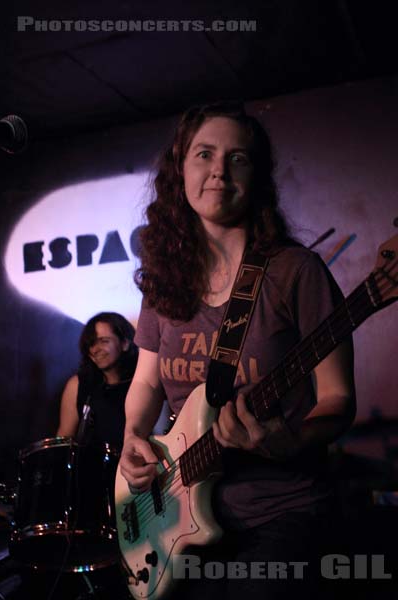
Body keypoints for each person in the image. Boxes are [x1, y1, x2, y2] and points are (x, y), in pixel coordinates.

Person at [119, 101, 356, 599]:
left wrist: (285, 442)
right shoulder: (164, 283)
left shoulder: (296, 271)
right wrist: (132, 434)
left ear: (257, 177)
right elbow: (145, 380)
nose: (219, 171)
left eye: (238, 159)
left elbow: (337, 400)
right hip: (180, 517)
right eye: (204, 154)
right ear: (180, 168)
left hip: (281, 513)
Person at [57, 311, 138, 450]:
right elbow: (63, 440)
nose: (95, 349)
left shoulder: (144, 384)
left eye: (104, 341)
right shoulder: (78, 385)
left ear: (125, 343)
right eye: (91, 344)